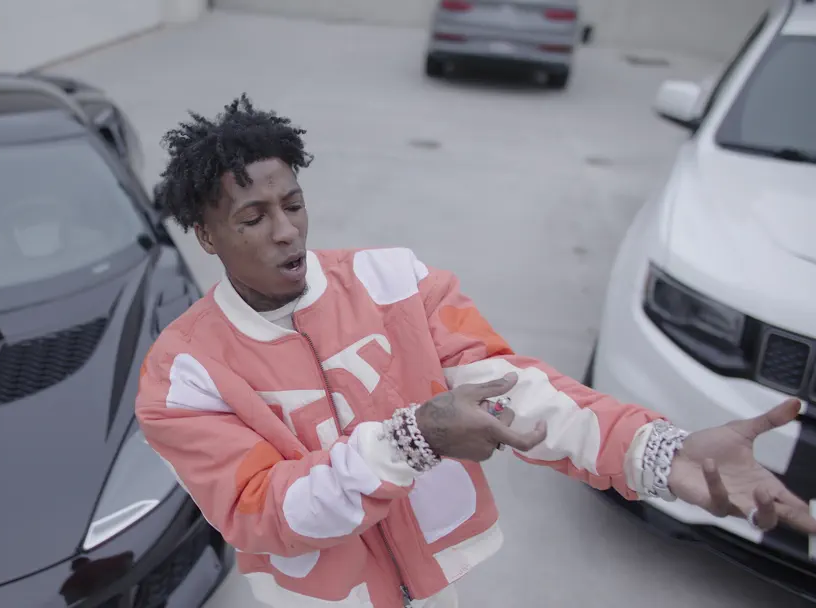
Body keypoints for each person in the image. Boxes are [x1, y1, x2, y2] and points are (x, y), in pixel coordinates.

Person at [134, 94, 816, 608]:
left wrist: (659, 453)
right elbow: (263, 510)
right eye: (253, 218)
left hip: (435, 586)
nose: (286, 231)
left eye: (293, 203)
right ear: (207, 236)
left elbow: (518, 394)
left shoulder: (394, 282)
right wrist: (411, 439)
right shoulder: (183, 375)